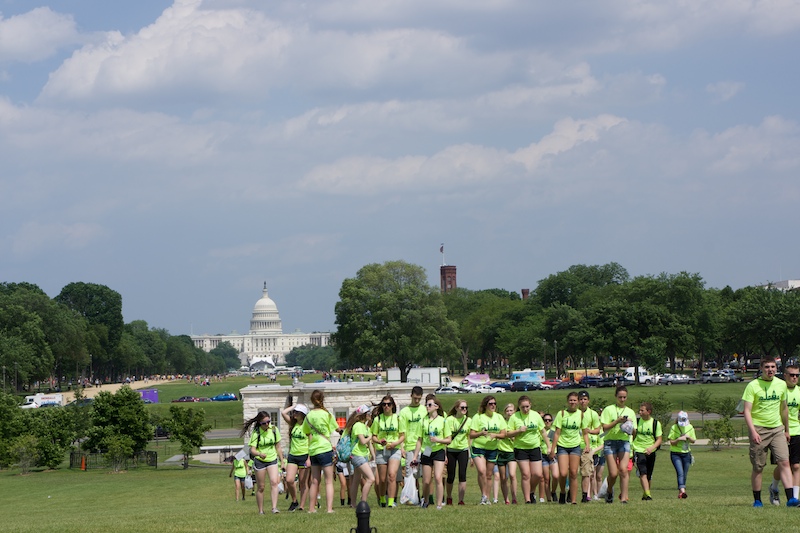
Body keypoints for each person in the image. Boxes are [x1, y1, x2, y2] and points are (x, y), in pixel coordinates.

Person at [742, 357, 797, 507]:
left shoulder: (781, 385)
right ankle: (757, 500)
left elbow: (784, 409)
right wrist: (753, 431)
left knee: (785, 461)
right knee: (758, 467)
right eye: (767, 367)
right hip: (759, 429)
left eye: (773, 366)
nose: (770, 369)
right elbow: (746, 411)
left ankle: (791, 498)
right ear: (761, 368)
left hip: (777, 429)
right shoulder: (753, 386)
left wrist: (786, 429)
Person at [302, 389, 340, 513]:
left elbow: (307, 432)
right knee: (328, 481)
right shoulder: (327, 414)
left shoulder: (309, 415)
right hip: (325, 448)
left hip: (313, 450)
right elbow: (335, 428)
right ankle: (329, 509)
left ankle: (311, 508)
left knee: (314, 481)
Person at [506, 395, 549, 504]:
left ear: (530, 405)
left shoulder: (535, 415)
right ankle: (528, 500)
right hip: (521, 448)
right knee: (525, 474)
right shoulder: (514, 417)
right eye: (522, 407)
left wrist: (549, 446)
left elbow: (543, 431)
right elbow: (508, 433)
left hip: (534, 447)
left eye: (527, 407)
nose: (525, 409)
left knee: (538, 474)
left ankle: (531, 491)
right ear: (519, 407)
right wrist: (518, 431)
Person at [242, 411, 285, 514]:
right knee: (261, 487)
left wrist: (282, 461)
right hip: (260, 461)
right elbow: (252, 450)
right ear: (259, 423)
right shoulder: (256, 433)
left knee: (274, 482)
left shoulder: (274, 430)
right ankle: (261, 510)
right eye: (264, 423)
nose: (266, 424)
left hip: (272, 459)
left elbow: (278, 447)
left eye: (268, 422)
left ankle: (274, 508)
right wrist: (259, 454)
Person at [413, 394, 451, 509]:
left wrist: (438, 440)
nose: (427, 407)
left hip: (438, 450)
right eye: (426, 405)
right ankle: (425, 500)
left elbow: (448, 439)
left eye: (430, 405)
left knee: (438, 478)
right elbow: (419, 439)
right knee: (426, 481)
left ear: (436, 406)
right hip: (426, 451)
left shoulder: (443, 421)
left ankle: (439, 504)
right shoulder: (422, 421)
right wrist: (415, 456)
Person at [600, 385, 636, 504]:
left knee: (623, 469)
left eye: (624, 397)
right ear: (616, 396)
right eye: (620, 397)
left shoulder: (630, 412)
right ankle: (609, 491)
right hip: (610, 442)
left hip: (624, 441)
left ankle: (624, 497)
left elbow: (634, 431)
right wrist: (617, 421)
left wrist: (629, 426)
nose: (622, 399)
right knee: (613, 473)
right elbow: (604, 427)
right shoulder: (608, 409)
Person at [770, 364, 800, 504]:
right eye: (792, 375)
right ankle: (774, 488)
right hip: (779, 431)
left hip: (797, 431)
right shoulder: (779, 389)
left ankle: (794, 498)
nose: (794, 378)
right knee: (783, 464)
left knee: (796, 466)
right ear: (785, 375)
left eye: (797, 375)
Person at [469, 395, 507, 505]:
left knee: (489, 475)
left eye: (494, 403)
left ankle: (488, 498)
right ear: (485, 405)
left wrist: (495, 435)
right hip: (479, 447)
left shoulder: (499, 417)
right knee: (482, 471)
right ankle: (483, 496)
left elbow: (504, 434)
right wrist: (481, 433)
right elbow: (471, 434)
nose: (493, 405)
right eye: (490, 404)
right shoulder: (478, 417)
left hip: (492, 448)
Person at [550, 391, 586, 504]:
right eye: (571, 400)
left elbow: (584, 432)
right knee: (563, 473)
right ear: (567, 401)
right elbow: (556, 433)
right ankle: (562, 492)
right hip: (562, 446)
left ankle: (573, 499)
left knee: (574, 473)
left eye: (575, 400)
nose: (573, 402)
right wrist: (552, 449)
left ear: (578, 401)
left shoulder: (581, 414)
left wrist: (587, 445)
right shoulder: (561, 414)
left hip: (575, 446)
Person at [371, 394, 403, 508]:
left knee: (392, 475)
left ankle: (391, 501)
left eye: (389, 404)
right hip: (382, 450)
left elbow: (402, 436)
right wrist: (380, 441)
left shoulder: (398, 418)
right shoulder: (377, 419)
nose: (386, 406)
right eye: (384, 404)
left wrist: (395, 443)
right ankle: (382, 499)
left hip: (394, 449)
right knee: (382, 479)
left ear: (393, 405)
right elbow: (373, 436)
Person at [281, 403, 311, 512]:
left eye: (297, 412)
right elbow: (283, 413)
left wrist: (308, 458)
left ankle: (302, 506)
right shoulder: (293, 424)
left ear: (303, 414)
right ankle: (294, 501)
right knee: (289, 480)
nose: (295, 414)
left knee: (303, 483)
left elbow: (310, 443)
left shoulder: (307, 426)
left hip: (304, 455)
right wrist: (294, 406)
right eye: (295, 412)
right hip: (293, 455)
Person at [346, 405, 376, 507]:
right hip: (357, 455)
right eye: (368, 413)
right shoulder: (358, 425)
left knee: (356, 480)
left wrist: (373, 455)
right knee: (371, 478)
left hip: (362, 455)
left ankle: (353, 504)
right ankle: (363, 502)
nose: (370, 415)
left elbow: (369, 444)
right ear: (363, 414)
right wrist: (371, 437)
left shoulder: (364, 426)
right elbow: (363, 441)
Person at [632, 402, 662, 500]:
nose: (640, 412)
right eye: (639, 410)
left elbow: (659, 439)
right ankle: (648, 494)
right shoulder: (636, 422)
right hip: (639, 449)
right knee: (643, 473)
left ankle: (645, 494)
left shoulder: (655, 423)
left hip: (650, 451)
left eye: (642, 410)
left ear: (648, 412)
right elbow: (632, 435)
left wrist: (652, 448)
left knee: (648, 475)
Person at [445, 399, 472, 506]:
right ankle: (449, 497)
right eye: (462, 407)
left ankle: (461, 500)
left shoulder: (469, 420)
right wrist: (445, 453)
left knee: (462, 475)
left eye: (466, 408)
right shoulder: (449, 420)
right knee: (450, 476)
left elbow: (469, 437)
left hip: (463, 450)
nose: (464, 409)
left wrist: (470, 452)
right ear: (456, 408)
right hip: (451, 450)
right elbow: (446, 436)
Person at [578, 390, 601, 503]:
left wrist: (589, 431)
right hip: (576, 445)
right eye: (581, 399)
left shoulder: (593, 414)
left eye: (585, 399)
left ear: (588, 401)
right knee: (573, 472)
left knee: (589, 473)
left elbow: (598, 430)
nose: (583, 401)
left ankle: (589, 494)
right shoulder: (574, 413)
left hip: (589, 447)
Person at [398, 387, 426, 479]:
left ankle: (420, 493)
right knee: (410, 475)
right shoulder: (404, 412)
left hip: (424, 447)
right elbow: (401, 432)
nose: (417, 400)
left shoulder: (425, 410)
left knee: (423, 475)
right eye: (415, 398)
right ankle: (411, 493)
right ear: (411, 396)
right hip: (409, 447)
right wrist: (402, 448)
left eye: (419, 398)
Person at [668, 410, 696, 499]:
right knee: (680, 472)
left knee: (684, 473)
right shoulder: (674, 427)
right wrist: (679, 439)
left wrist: (688, 437)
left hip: (686, 453)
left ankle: (681, 493)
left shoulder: (690, 427)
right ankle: (683, 491)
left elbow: (694, 440)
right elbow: (671, 442)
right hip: (676, 453)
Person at [497, 403, 519, 504]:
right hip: (501, 451)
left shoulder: (516, 423)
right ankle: (506, 499)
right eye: (507, 411)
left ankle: (514, 497)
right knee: (503, 477)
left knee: (512, 474)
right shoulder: (502, 422)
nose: (509, 413)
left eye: (511, 411)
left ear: (514, 411)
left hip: (512, 451)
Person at [539, 413, 559, 502]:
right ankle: (549, 499)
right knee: (546, 478)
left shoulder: (554, 431)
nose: (547, 422)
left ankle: (553, 491)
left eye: (549, 420)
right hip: (543, 456)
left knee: (555, 475)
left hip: (553, 455)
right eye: (545, 420)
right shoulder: (540, 431)